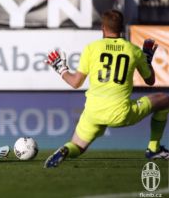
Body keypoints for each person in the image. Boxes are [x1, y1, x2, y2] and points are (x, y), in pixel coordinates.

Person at [43, 9, 169, 168]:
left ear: (103, 27)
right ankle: (153, 148)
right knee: (164, 100)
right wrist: (147, 59)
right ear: (122, 28)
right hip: (120, 113)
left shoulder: (92, 48)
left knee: (78, 146)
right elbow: (150, 81)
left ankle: (65, 150)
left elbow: (75, 83)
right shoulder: (133, 50)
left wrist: (61, 69)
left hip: (93, 113)